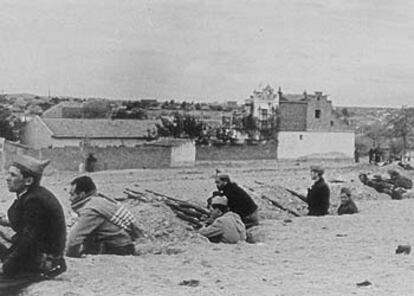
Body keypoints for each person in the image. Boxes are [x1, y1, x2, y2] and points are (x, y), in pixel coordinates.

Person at [0, 155, 67, 294]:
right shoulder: (33, 195)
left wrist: (6, 266)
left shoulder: (35, 201)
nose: (7, 178)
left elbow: (30, 240)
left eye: (13, 175)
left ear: (28, 180)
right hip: (34, 253)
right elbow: (25, 225)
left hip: (40, 260)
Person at [66, 176, 141, 258]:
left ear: (82, 195)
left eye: (72, 195)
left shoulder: (91, 210)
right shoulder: (99, 200)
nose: (70, 199)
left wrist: (71, 256)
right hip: (123, 244)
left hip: (117, 249)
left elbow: (74, 240)